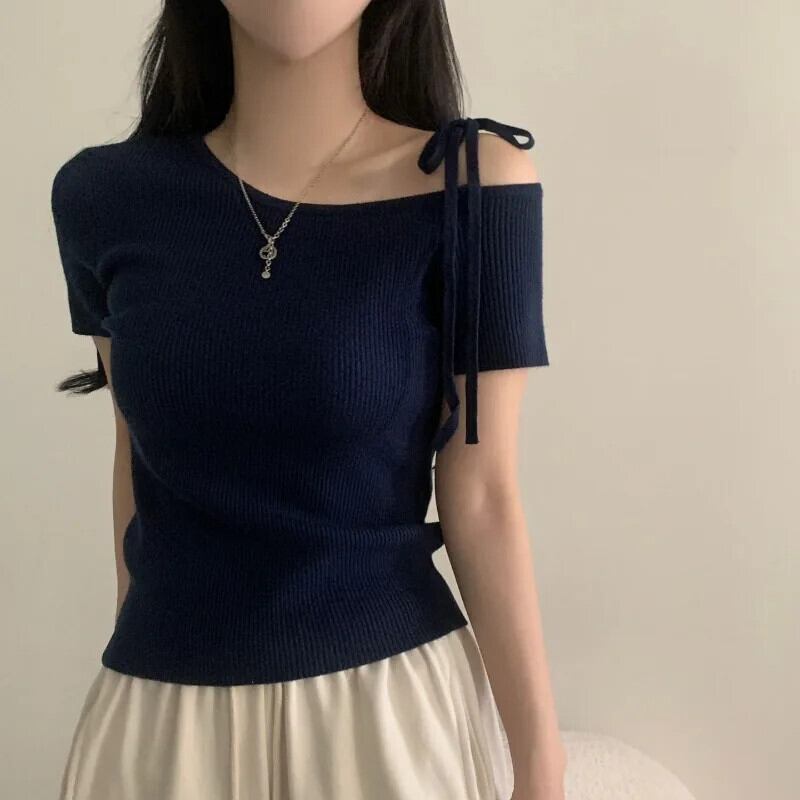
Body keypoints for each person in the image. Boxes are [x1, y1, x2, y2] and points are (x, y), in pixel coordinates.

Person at [51, 1, 565, 798]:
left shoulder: (469, 188)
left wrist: (539, 765)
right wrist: (138, 651)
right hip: (158, 716)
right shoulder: (105, 197)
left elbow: (484, 491)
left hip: (384, 713)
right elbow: (137, 458)